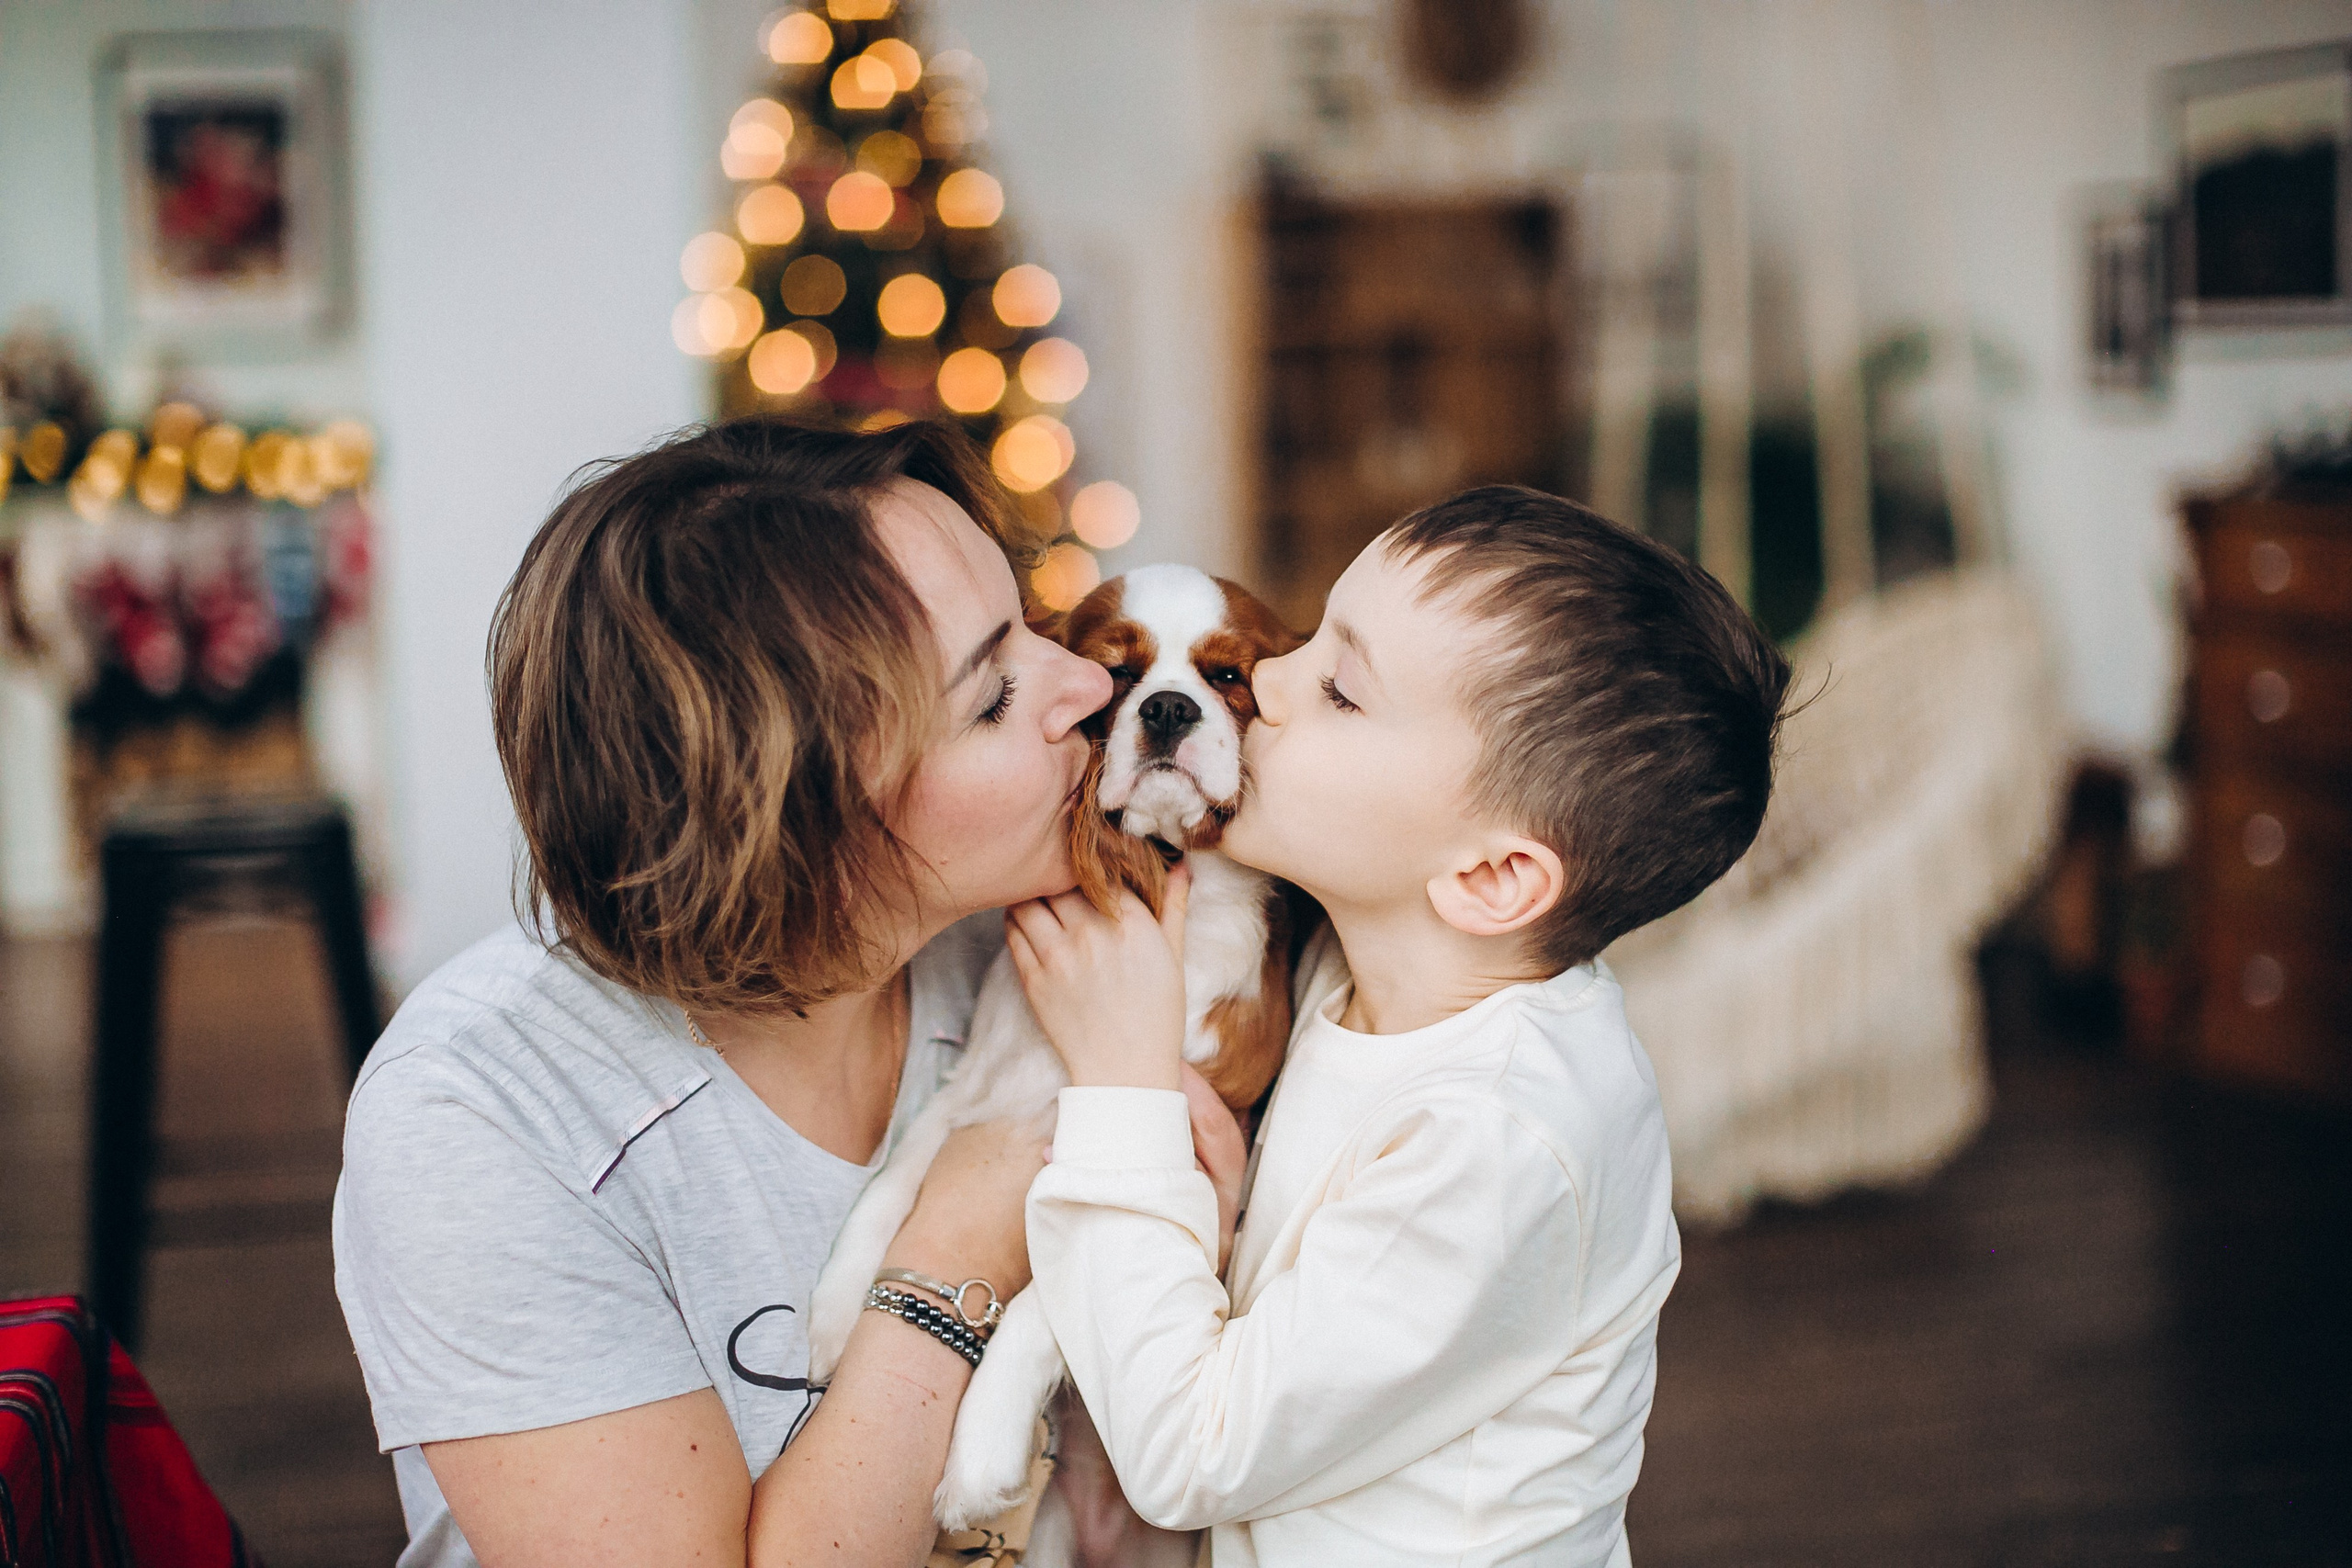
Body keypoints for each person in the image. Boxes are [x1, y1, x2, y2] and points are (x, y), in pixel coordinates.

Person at [332, 419, 1195, 1568]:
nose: (1089, 680)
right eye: (991, 696)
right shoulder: (487, 1118)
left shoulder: (1059, 940)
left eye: (1034, 623)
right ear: (797, 826)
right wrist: (956, 1252)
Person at [1005, 485, 1793, 1566]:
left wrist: (1119, 1087)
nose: (1267, 677)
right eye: (1311, 634)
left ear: (1488, 874)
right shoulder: (1354, 953)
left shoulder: (1502, 1138)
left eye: (1336, 687)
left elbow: (1191, 1453)